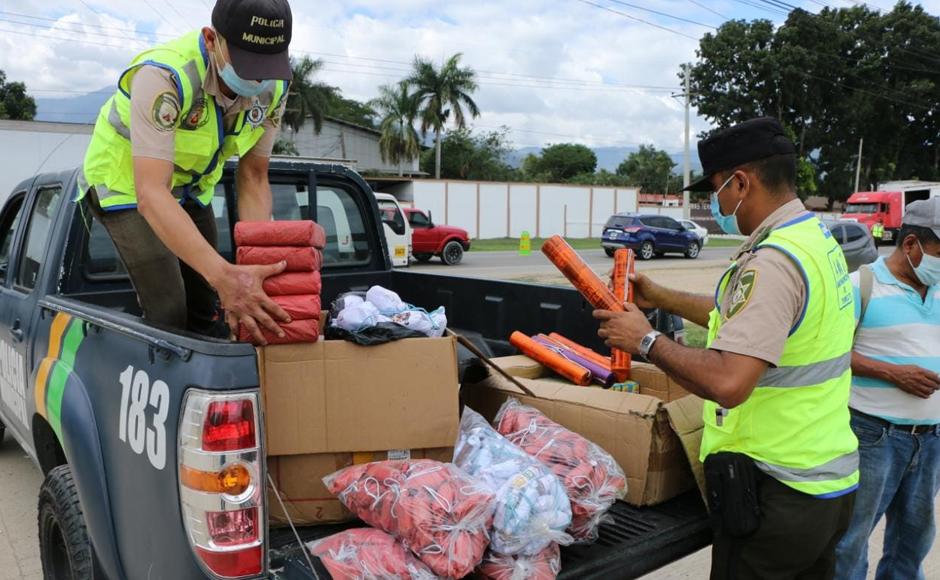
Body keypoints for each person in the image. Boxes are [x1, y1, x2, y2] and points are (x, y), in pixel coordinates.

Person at [594, 117, 858, 579]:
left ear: (740, 182)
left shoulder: (774, 262)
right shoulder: (811, 240)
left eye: (715, 189)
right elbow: (745, 320)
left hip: (779, 488)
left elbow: (729, 382)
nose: (713, 203)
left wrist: (645, 340)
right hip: (824, 484)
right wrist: (659, 296)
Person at [78, 0, 294, 344]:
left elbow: (253, 177)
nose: (256, 78)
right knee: (169, 309)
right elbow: (151, 193)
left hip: (191, 188)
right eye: (246, 63)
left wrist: (257, 269)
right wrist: (225, 276)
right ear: (211, 40)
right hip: (127, 184)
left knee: (207, 305)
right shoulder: (164, 76)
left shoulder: (274, 88)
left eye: (265, 66)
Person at [834, 198, 940, 580]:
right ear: (910, 244)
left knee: (912, 541)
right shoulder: (861, 286)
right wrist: (893, 374)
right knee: (851, 538)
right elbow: (830, 354)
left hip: (931, 440)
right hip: (873, 436)